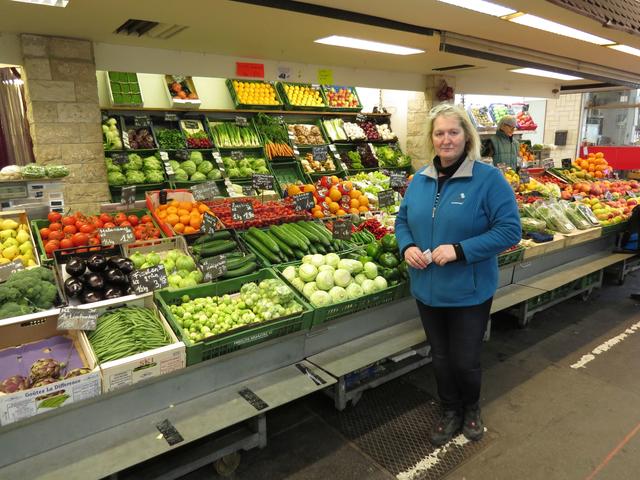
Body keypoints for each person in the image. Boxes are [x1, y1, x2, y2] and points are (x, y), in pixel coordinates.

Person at [395, 104, 521, 446]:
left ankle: (471, 408)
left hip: (469, 290)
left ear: (467, 136)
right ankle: (449, 410)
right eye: (439, 133)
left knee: (464, 360)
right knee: (440, 356)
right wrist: (407, 246)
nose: (446, 139)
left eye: (453, 132)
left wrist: (459, 250)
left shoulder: (489, 179)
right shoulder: (419, 180)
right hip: (427, 288)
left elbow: (510, 230)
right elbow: (402, 221)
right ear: (431, 138)